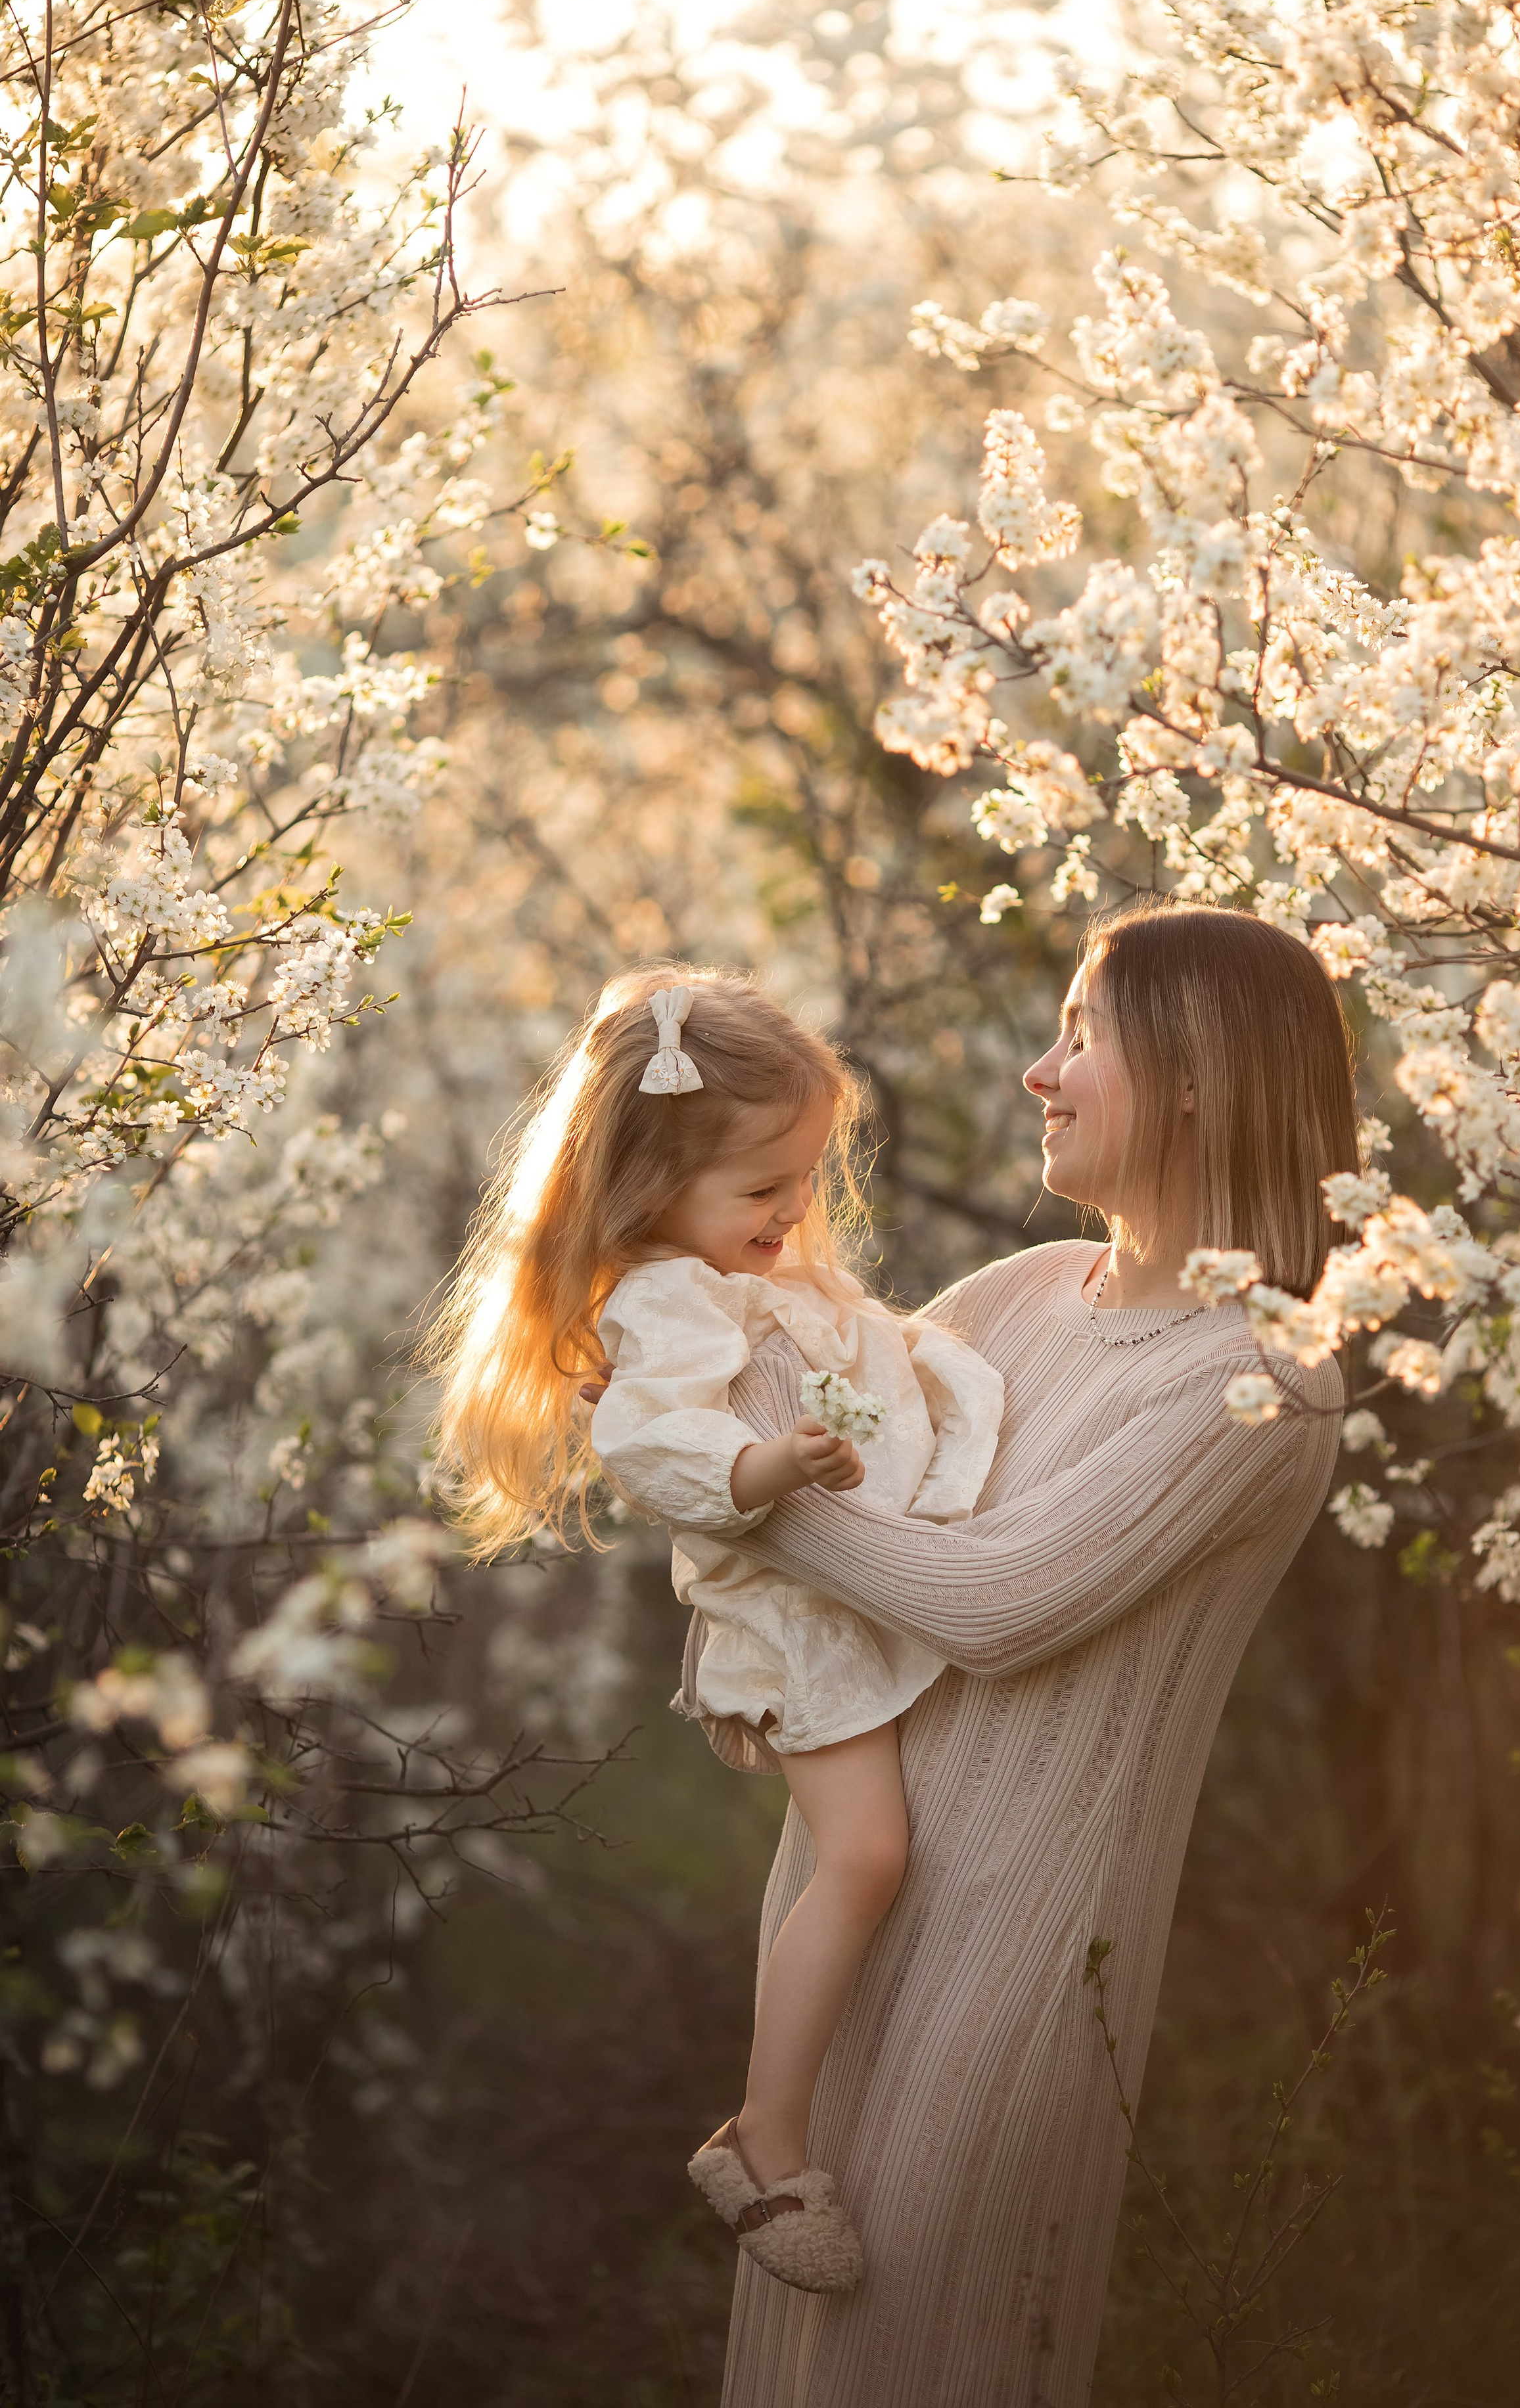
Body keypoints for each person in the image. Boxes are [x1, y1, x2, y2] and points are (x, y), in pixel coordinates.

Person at [708, 901, 1357, 2407]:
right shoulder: (1005, 1302)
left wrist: (737, 1485)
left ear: (1192, 1073)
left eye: (1080, 1032)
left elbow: (993, 1600)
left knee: (925, 2354)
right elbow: (807, 1410)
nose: (1035, 1070)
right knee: (792, 2364)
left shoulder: (1259, 1379)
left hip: (1012, 1945)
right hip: (840, 1900)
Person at [427, 966, 1002, 2297]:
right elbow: (655, 1440)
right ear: (646, 1190)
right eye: (760, 1190)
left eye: (801, 1179)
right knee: (863, 1856)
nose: (793, 1210)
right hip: (800, 1622)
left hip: (857, 1593)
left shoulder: (747, 1271)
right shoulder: (659, 1301)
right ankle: (764, 2143)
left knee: (877, 1853)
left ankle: (794, 2116)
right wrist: (771, 1469)